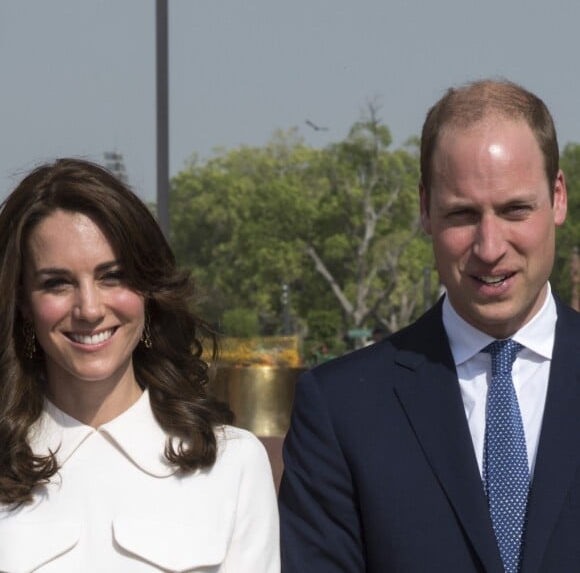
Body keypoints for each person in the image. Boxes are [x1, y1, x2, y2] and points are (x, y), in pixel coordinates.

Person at [279, 79, 580, 572]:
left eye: (514, 210)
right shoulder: (340, 411)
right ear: (425, 209)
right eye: (462, 214)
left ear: (558, 197)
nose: (489, 246)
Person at [0, 158, 280, 572]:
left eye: (112, 276)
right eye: (57, 283)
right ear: (23, 302)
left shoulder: (233, 464)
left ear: (150, 289)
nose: (90, 309)